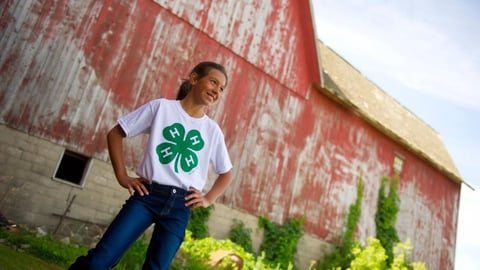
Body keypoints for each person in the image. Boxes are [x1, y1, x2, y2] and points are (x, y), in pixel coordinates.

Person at [69, 61, 233, 270]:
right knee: (100, 260)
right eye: (213, 82)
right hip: (147, 196)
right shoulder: (161, 108)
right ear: (194, 78)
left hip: (180, 206)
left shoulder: (212, 131)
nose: (216, 90)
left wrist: (209, 198)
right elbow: (116, 134)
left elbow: (226, 173)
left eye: (221, 88)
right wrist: (122, 176)